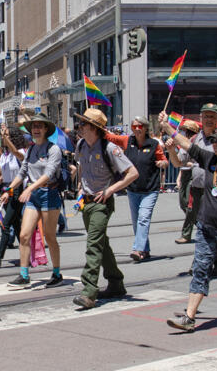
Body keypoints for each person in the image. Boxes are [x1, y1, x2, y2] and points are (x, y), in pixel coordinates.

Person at [158, 114, 217, 332]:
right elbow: (187, 145)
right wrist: (167, 127)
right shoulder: (210, 160)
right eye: (212, 142)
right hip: (206, 226)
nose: (213, 145)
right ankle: (189, 317)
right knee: (201, 269)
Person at [71, 108, 138, 310]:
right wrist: (80, 186)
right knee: (101, 243)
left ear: (94, 128)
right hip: (86, 202)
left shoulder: (110, 149)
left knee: (93, 244)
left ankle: (89, 291)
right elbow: (81, 165)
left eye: (83, 124)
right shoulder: (82, 144)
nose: (79, 127)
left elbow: (132, 173)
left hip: (101, 203)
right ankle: (115, 282)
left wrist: (110, 190)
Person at [4, 112, 64, 288]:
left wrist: (29, 188)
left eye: (40, 126)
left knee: (50, 237)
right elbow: (22, 172)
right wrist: (9, 189)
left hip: (48, 194)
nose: (36, 129)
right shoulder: (31, 149)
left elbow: (48, 174)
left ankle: (57, 273)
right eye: (34, 127)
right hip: (34, 196)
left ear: (46, 129)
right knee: (24, 235)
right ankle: (24, 274)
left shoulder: (54, 149)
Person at [124, 116, 167, 262]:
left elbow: (165, 161)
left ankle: (138, 249)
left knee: (143, 218)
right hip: (133, 189)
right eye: (134, 126)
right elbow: (111, 137)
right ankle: (145, 249)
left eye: (140, 126)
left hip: (150, 189)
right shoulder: (127, 141)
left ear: (146, 128)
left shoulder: (154, 144)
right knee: (137, 222)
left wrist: (162, 163)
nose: (137, 129)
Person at [0, 124, 27, 269]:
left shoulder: (20, 152)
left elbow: (16, 152)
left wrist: (5, 138)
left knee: (5, 224)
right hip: (5, 191)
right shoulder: (4, 155)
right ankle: (29, 253)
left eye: (8, 135)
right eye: (4, 135)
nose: (4, 138)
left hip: (16, 190)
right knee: (17, 226)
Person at [174, 119, 203, 244]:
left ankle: (186, 234)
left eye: (185, 130)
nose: (183, 132)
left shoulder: (196, 142)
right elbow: (181, 161)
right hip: (185, 172)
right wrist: (180, 176)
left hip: (194, 174)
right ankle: (202, 224)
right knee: (183, 203)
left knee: (190, 205)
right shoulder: (185, 142)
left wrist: (194, 164)